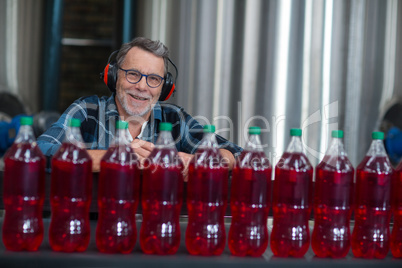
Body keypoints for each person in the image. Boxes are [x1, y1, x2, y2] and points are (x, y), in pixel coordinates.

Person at [37, 37, 242, 177]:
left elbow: (241, 156)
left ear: (165, 87)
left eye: (153, 79)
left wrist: (203, 163)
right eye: (133, 74)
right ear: (114, 76)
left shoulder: (175, 119)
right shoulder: (86, 110)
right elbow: (39, 152)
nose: (142, 87)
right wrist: (114, 158)